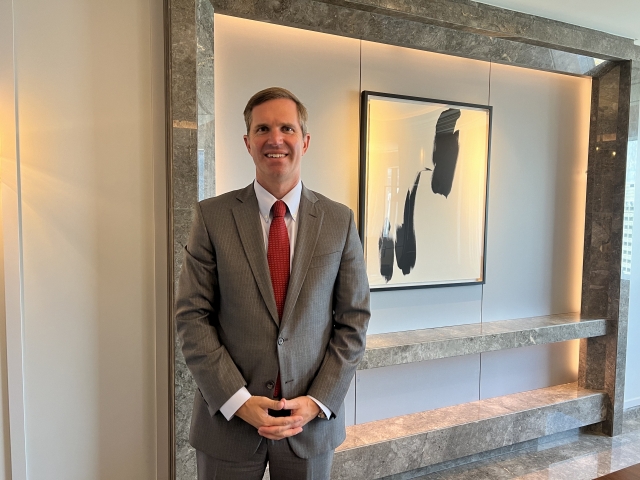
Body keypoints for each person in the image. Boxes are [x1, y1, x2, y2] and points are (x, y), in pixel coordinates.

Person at [176, 87, 371, 480]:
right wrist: (238, 401)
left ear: (305, 140)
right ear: (248, 142)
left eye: (287, 128)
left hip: (309, 424)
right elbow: (192, 318)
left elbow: (354, 320)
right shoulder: (212, 218)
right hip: (228, 424)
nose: (275, 139)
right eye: (262, 128)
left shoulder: (338, 221)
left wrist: (317, 401)